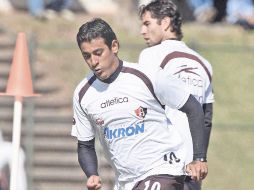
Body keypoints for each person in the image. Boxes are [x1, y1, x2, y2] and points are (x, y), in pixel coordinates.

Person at [71, 17, 208, 190]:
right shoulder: (83, 94)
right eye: (87, 56)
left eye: (98, 53)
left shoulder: (147, 76)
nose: (93, 61)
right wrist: (92, 174)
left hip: (163, 170)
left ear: (114, 46)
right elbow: (85, 144)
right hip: (126, 182)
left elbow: (193, 108)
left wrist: (199, 157)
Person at [138, 1, 214, 190]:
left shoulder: (150, 55)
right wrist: (199, 158)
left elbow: (142, 108)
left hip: (159, 167)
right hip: (192, 168)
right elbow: (206, 119)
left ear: (165, 23)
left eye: (147, 23)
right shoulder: (204, 64)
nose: (142, 30)